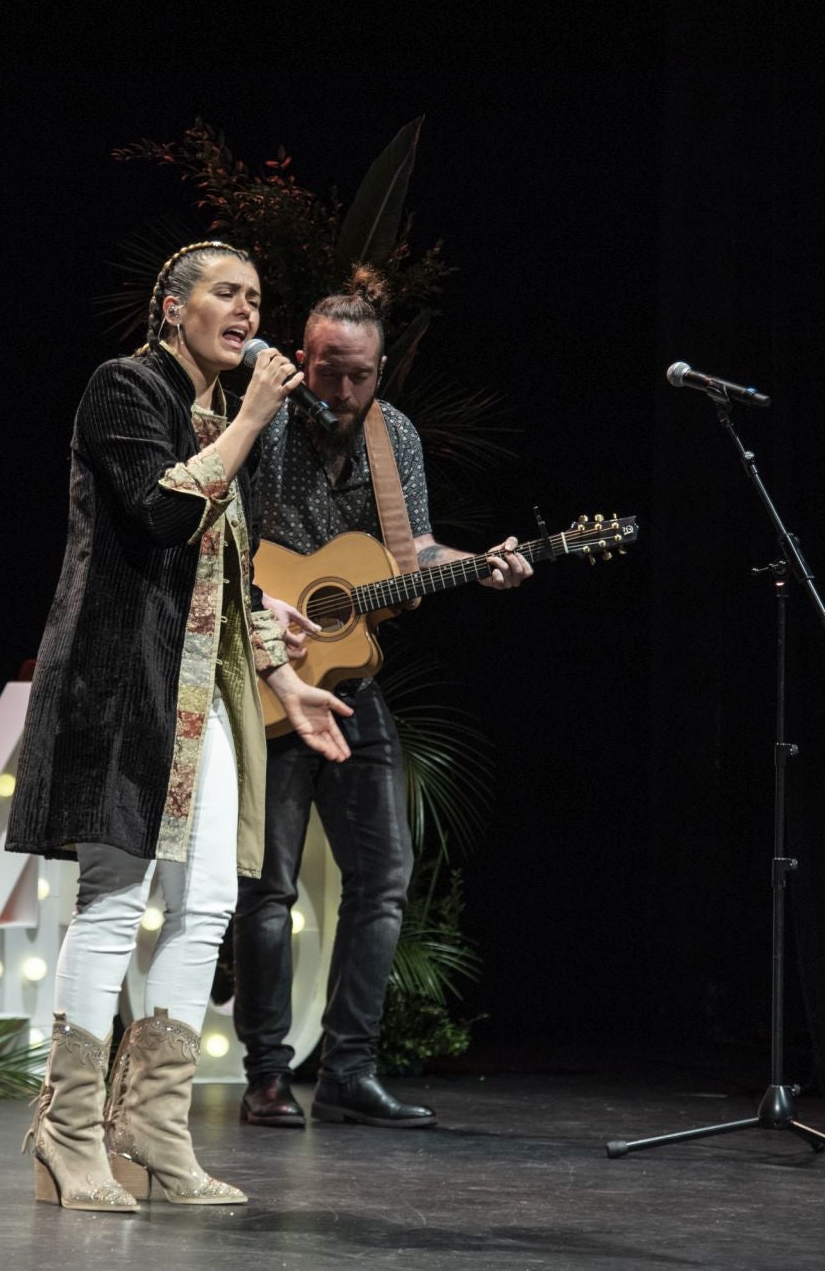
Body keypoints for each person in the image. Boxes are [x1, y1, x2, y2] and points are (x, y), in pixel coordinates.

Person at [7, 241, 353, 1211]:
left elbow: (232, 574)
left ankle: (152, 1127)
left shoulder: (210, 415)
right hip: (123, 685)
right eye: (224, 293)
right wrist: (250, 417)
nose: (246, 309)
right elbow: (162, 514)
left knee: (207, 903)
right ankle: (66, 1133)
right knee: (114, 900)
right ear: (172, 307)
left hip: (201, 698)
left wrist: (286, 683)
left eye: (255, 295)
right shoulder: (125, 387)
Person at [233, 269, 531, 1130]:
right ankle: (264, 1076)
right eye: (328, 370)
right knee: (268, 888)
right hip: (265, 678)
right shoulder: (266, 418)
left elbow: (413, 553)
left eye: (359, 374)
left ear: (382, 369)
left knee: (386, 876)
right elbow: (221, 545)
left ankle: (348, 1072)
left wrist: (484, 565)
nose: (342, 389)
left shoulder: (392, 435)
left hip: (352, 686)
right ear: (302, 357)